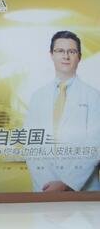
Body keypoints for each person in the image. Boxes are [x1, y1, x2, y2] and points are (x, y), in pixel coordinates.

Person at [24, 31, 100, 192]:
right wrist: (47, 184)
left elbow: (95, 145)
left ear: (79, 57)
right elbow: (31, 144)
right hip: (44, 188)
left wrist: (67, 183)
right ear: (51, 55)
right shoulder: (37, 97)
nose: (66, 56)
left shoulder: (94, 96)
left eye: (71, 51)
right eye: (60, 51)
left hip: (83, 189)